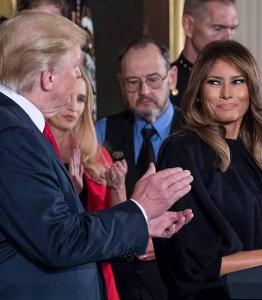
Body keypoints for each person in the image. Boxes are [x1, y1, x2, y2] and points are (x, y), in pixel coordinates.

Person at [0, 11, 193, 300]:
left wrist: (140, 226)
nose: (80, 77)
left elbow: (61, 233)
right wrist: (139, 210)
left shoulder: (18, 127)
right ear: (49, 77)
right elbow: (61, 240)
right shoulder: (12, 134)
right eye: (77, 68)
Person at [154, 40, 262, 300]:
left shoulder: (261, 153)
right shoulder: (182, 150)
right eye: (214, 82)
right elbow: (190, 264)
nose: (226, 94)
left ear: (252, 88)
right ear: (199, 89)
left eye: (237, 81)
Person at [95, 38, 182, 300]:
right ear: (122, 84)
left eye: (154, 79)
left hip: (182, 278)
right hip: (121, 282)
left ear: (172, 78)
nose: (144, 90)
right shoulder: (101, 132)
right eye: (133, 82)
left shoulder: (198, 132)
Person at [47, 68, 126, 300]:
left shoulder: (98, 156)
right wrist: (71, 194)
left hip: (98, 274)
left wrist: (117, 188)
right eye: (67, 97)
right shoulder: (33, 152)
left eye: (80, 99)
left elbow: (118, 231)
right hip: (52, 276)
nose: (73, 107)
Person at [171, 0, 238, 107]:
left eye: (233, 28)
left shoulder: (243, 82)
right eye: (218, 28)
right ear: (188, 26)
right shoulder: (163, 85)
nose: (228, 38)